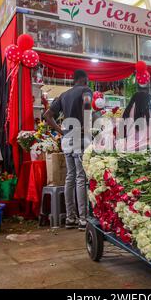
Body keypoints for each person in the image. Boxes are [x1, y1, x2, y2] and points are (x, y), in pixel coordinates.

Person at [44, 70, 93, 231]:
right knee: (81, 177)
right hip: (80, 136)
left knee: (70, 176)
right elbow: (87, 106)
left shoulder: (64, 95)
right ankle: (83, 219)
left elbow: (47, 115)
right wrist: (86, 127)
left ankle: (70, 218)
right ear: (84, 80)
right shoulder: (86, 91)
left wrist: (60, 130)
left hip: (67, 138)